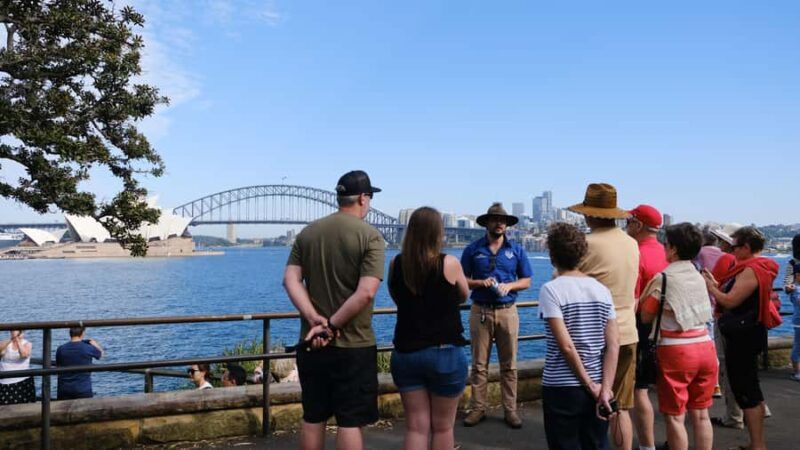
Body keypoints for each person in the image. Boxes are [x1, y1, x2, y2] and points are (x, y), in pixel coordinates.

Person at [283, 170, 385, 450]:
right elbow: (366, 292)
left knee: (313, 418)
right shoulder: (371, 237)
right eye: (370, 197)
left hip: (311, 343)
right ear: (363, 198)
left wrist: (314, 318)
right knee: (350, 421)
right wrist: (332, 326)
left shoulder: (308, 233)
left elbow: (290, 280)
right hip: (353, 345)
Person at [388, 207, 470, 450]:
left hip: (406, 352)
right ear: (438, 232)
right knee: (443, 427)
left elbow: (397, 297)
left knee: (416, 426)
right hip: (444, 352)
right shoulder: (450, 263)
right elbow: (464, 295)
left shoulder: (396, 264)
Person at [567, 183, 639, 450]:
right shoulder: (632, 244)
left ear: (589, 214)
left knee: (591, 408)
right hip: (628, 332)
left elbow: (564, 280)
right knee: (620, 406)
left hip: (595, 337)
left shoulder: (585, 244)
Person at [539, 223, 619, 450]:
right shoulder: (602, 290)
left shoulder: (551, 290)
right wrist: (604, 388)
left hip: (561, 386)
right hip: (598, 383)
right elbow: (613, 343)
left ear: (553, 255)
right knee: (596, 443)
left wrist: (589, 384)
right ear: (583, 254)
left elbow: (566, 346)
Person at [640, 223, 717, 450]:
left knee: (675, 416)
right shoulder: (699, 275)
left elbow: (646, 315)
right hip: (705, 345)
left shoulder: (664, 279)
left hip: (676, 350)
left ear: (672, 249)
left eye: (666, 244)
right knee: (701, 413)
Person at [703, 226, 779, 450]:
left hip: (743, 337)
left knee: (746, 390)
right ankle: (756, 442)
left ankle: (757, 444)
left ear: (746, 247)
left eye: (734, 246)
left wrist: (711, 288)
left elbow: (730, 301)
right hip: (751, 333)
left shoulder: (751, 270)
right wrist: (717, 286)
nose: (731, 250)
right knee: (749, 387)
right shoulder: (757, 267)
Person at [461, 202, 532, 429]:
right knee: (478, 365)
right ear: (487, 223)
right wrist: (480, 282)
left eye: (504, 220)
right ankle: (477, 408)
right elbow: (461, 280)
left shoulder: (517, 251)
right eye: (495, 219)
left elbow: (527, 280)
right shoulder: (472, 250)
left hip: (507, 311)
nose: (500, 223)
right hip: (479, 309)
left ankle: (510, 410)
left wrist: (510, 287)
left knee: (509, 366)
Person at [626, 204, 668, 450]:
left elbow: (633, 300)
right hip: (670, 330)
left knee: (639, 389)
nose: (627, 225)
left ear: (638, 225)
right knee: (670, 393)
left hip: (643, 328)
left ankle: (647, 445)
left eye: (629, 220)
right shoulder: (668, 253)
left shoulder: (635, 254)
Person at [56, 326, 103, 400]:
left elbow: (58, 364)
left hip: (64, 389)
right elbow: (100, 354)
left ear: (70, 334)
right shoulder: (87, 348)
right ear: (83, 334)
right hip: (83, 389)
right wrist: (94, 343)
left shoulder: (61, 349)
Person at [0, 330, 35, 405]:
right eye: (12, 331)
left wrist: (18, 340)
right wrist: (11, 339)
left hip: (21, 381)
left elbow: (24, 355)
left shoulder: (27, 344)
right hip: (4, 382)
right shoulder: (6, 343)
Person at [784, 234, 800, 381]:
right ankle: (797, 370)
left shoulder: (791, 263)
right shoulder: (792, 263)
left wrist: (789, 287)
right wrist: (789, 287)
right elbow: (787, 283)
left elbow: (787, 284)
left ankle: (797, 370)